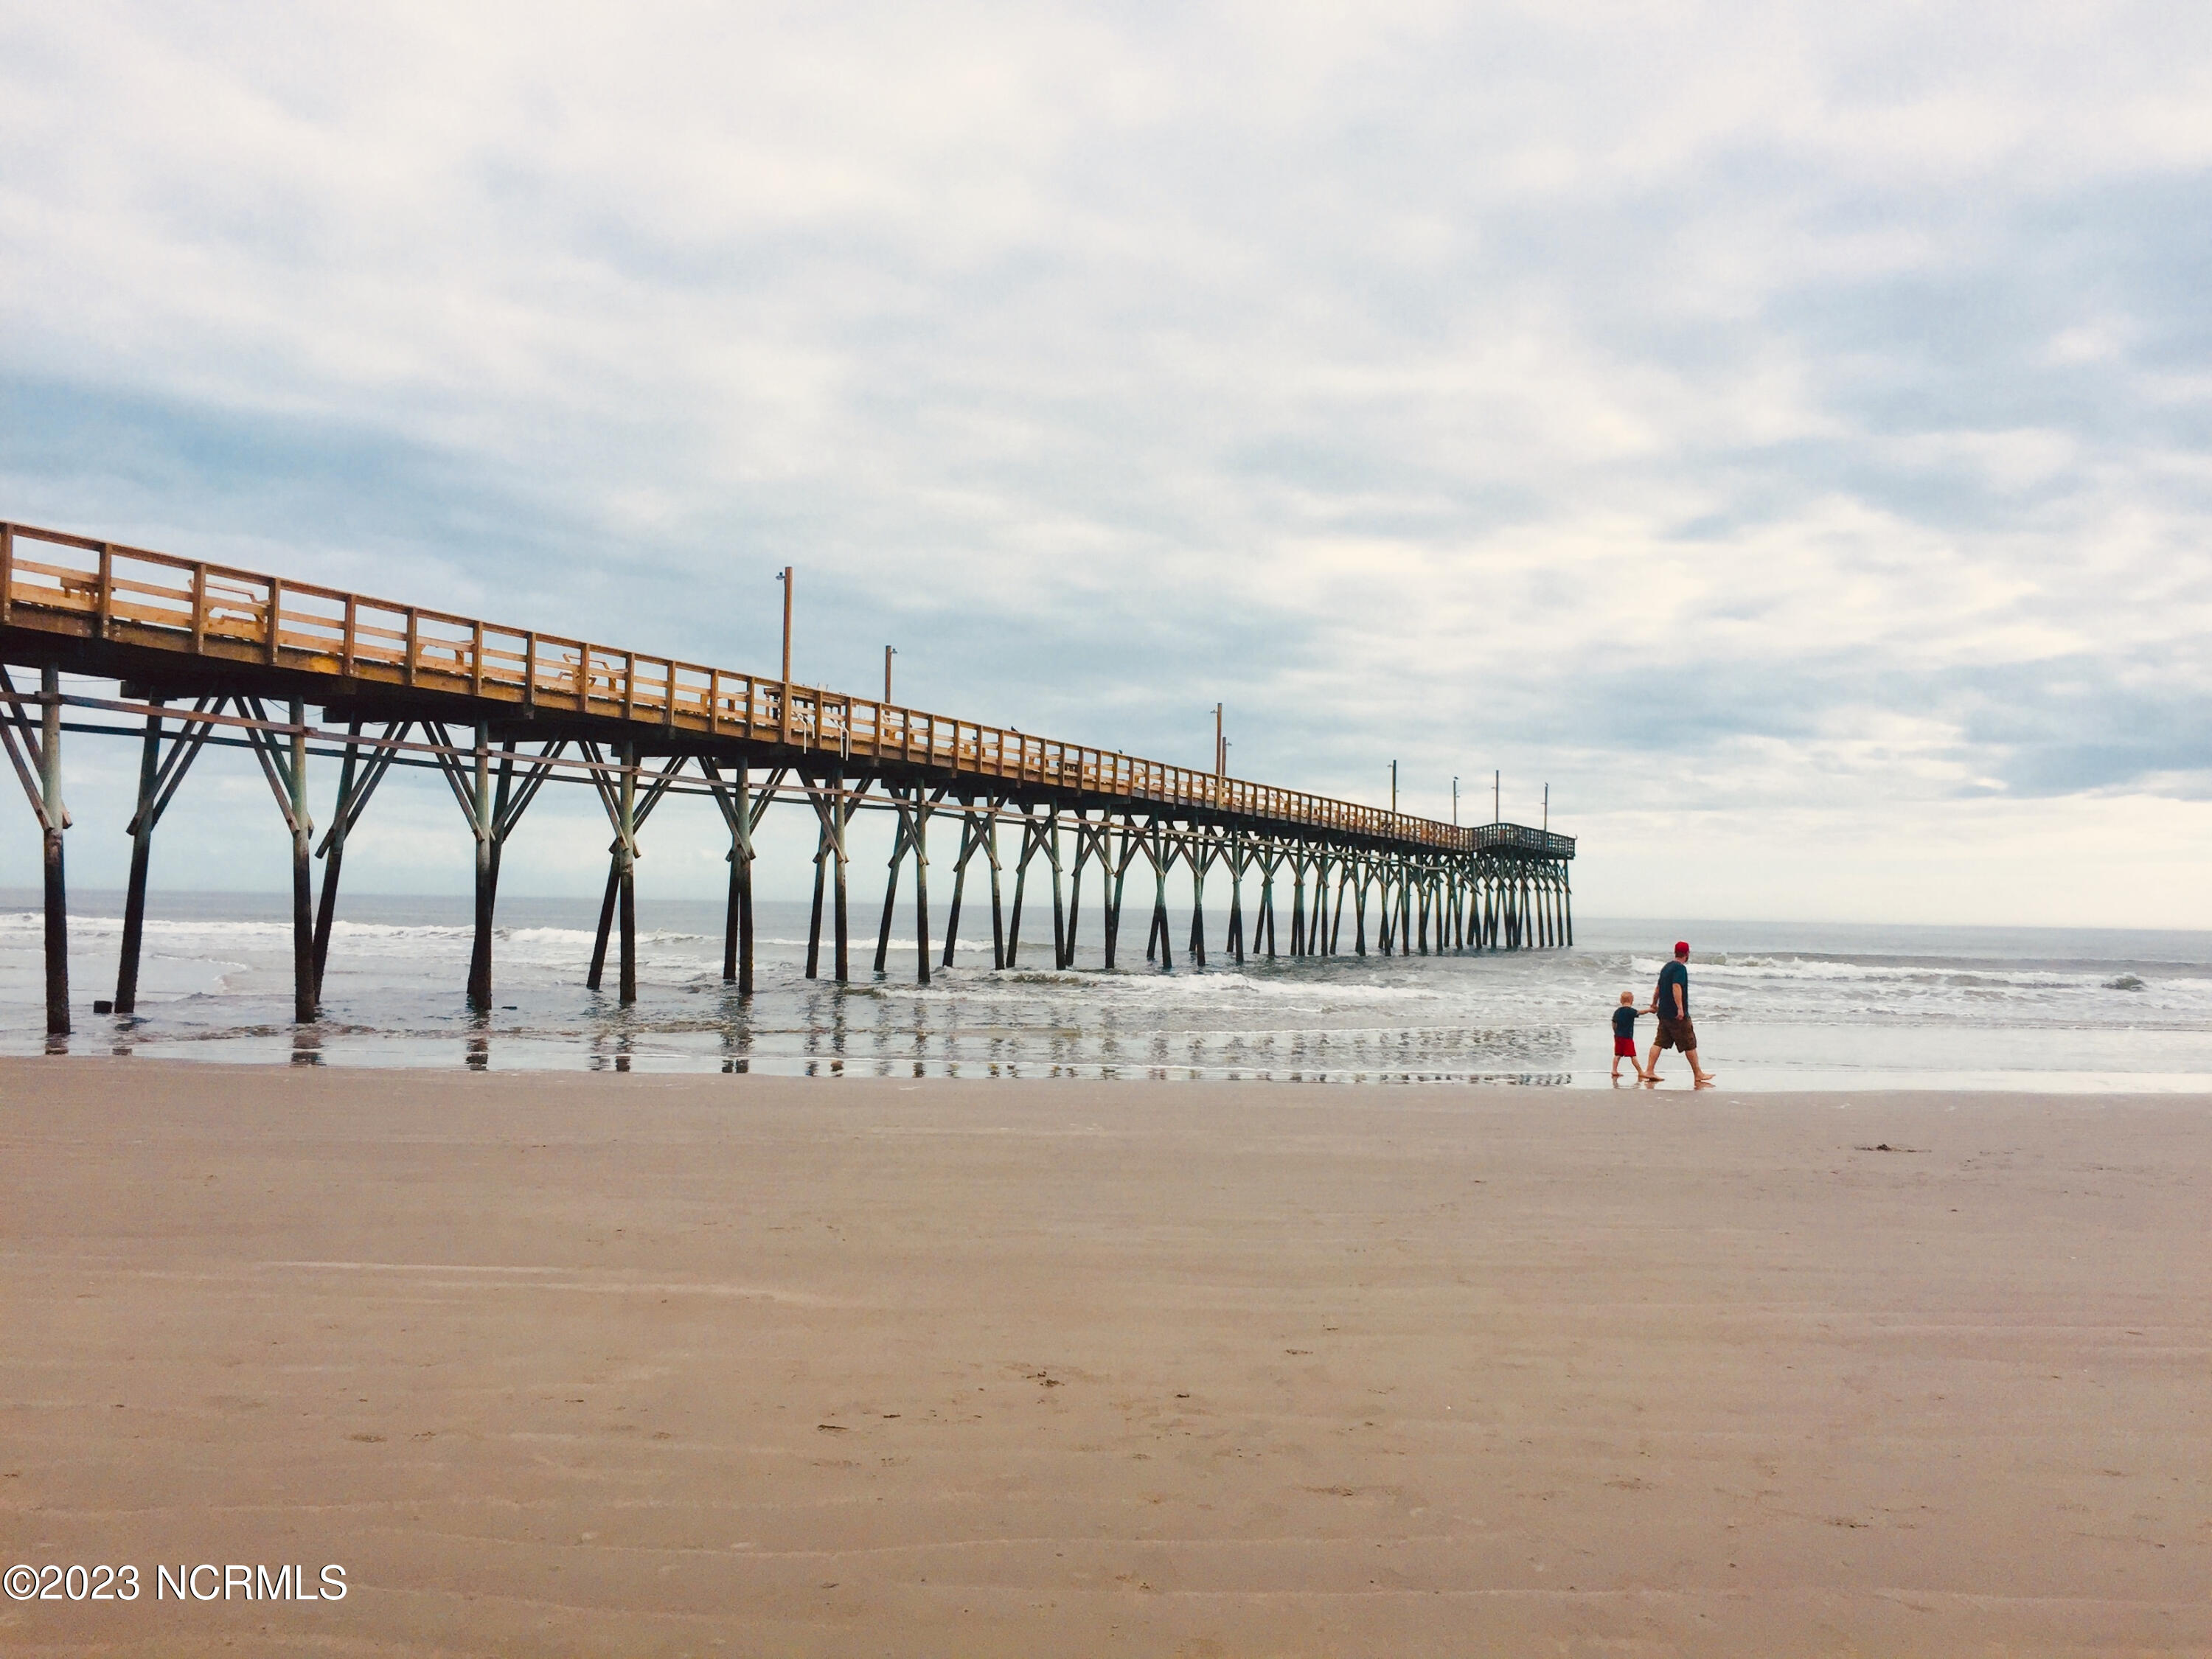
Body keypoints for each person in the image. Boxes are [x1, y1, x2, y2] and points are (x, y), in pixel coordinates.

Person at [1645, 940, 1715, 1085]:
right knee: (1689, 1043)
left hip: (1664, 1012)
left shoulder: (1667, 967)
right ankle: (1698, 1074)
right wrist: (1680, 1009)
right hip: (1675, 1015)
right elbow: (1676, 987)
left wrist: (1654, 1003)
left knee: (1659, 1042)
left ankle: (1649, 1070)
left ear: (1675, 952)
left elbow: (1658, 988)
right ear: (1687, 954)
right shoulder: (1680, 969)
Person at [1610, 990, 1646, 1081]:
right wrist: (1650, 1010)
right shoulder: (1631, 1011)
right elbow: (1640, 1012)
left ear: (1621, 1001)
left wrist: (1615, 1032)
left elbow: (1614, 1023)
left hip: (1618, 1036)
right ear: (1632, 1000)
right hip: (1627, 1037)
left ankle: (1614, 1070)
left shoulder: (1617, 1011)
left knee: (1617, 1054)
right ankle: (1640, 1072)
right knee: (1632, 1055)